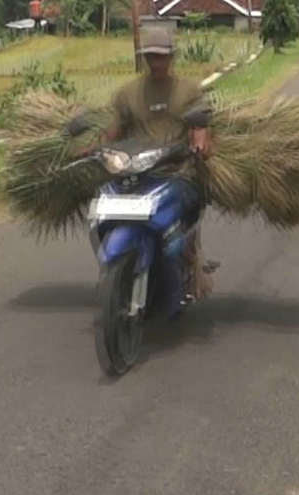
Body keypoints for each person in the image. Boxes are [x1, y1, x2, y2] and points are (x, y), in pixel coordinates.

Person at [89, 27, 217, 301]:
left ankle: (187, 261)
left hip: (176, 173)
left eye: (161, 56)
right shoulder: (128, 93)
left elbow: (200, 125)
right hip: (134, 174)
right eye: (150, 57)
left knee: (177, 229)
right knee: (101, 213)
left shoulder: (188, 90)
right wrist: (94, 148)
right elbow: (115, 129)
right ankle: (115, 273)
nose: (156, 62)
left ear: (171, 57)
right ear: (144, 58)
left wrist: (200, 141)